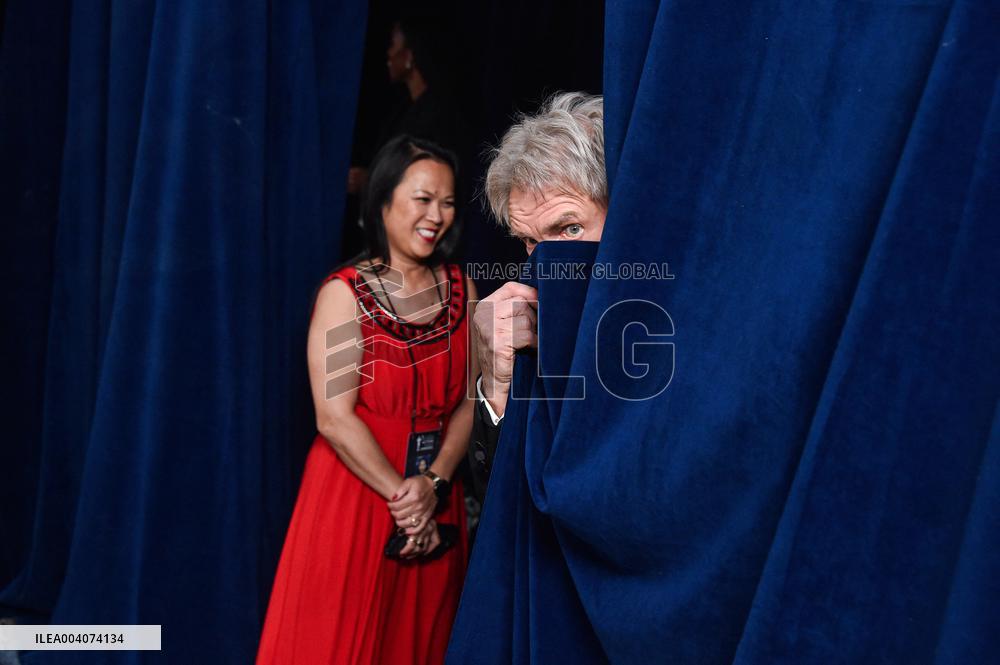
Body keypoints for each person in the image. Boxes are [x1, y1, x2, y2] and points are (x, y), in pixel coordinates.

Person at [257, 135, 478, 665]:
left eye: (447, 202)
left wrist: (434, 485)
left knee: (421, 643)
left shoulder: (462, 288)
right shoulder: (343, 293)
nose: (437, 215)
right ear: (383, 202)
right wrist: (408, 503)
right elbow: (333, 417)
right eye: (423, 199)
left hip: (435, 497)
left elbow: (471, 400)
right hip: (357, 496)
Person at [466, 92, 608, 504]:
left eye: (569, 229)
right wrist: (496, 384)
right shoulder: (529, 325)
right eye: (530, 240)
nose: (546, 263)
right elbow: (495, 501)